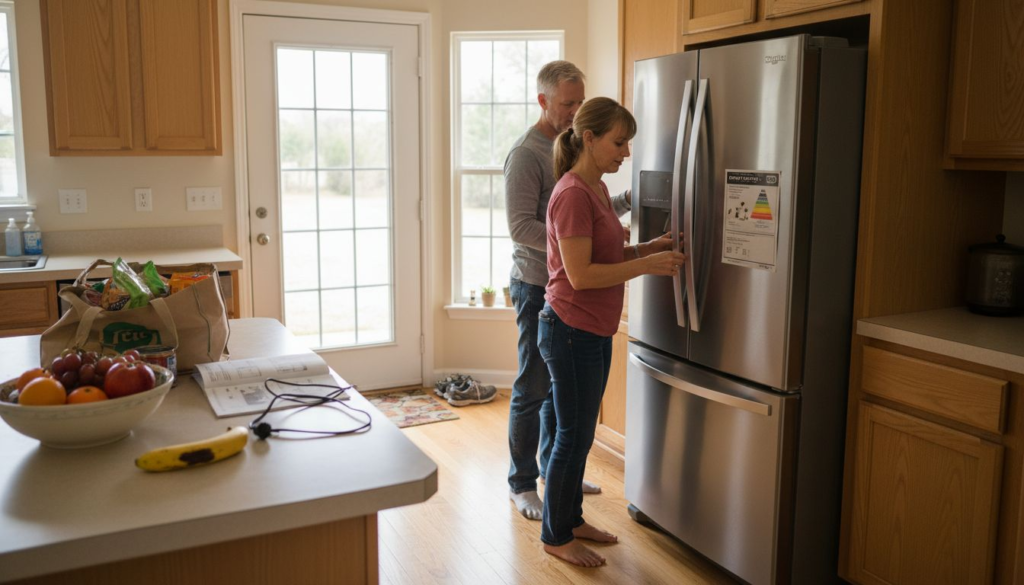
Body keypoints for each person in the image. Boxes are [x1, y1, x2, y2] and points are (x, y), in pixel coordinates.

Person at [539, 97, 685, 567]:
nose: (625, 153)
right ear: (589, 138)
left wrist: (647, 246)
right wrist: (647, 265)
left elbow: (602, 258)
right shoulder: (573, 194)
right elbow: (580, 275)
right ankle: (555, 536)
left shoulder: (597, 189)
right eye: (619, 142)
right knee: (572, 436)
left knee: (578, 435)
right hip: (569, 329)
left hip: (591, 330)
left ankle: (573, 520)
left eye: (627, 144)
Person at [504, 61, 631, 521]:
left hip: (571, 282)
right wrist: (568, 251)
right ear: (543, 102)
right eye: (568, 103)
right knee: (533, 387)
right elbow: (521, 226)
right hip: (540, 284)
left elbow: (588, 214)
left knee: (565, 398)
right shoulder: (526, 154)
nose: (576, 110)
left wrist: (627, 203)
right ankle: (521, 483)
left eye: (581, 101)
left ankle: (557, 475)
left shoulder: (581, 160)